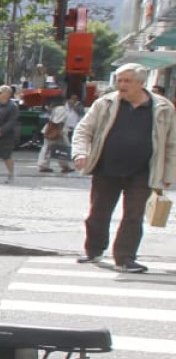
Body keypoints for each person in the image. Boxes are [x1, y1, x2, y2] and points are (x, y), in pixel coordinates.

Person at [70, 62, 176, 274]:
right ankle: (93, 250)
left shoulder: (163, 108)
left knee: (134, 216)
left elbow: (172, 144)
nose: (121, 85)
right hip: (106, 168)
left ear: (141, 82)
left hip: (143, 171)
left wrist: (168, 173)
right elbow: (83, 130)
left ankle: (125, 257)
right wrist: (80, 152)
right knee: (98, 212)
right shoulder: (105, 103)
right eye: (119, 80)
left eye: (127, 81)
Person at [38, 97, 74, 172]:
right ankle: (64, 166)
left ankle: (43, 165)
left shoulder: (54, 108)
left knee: (47, 148)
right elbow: (59, 121)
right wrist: (59, 131)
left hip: (49, 129)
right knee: (63, 148)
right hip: (58, 131)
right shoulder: (62, 109)